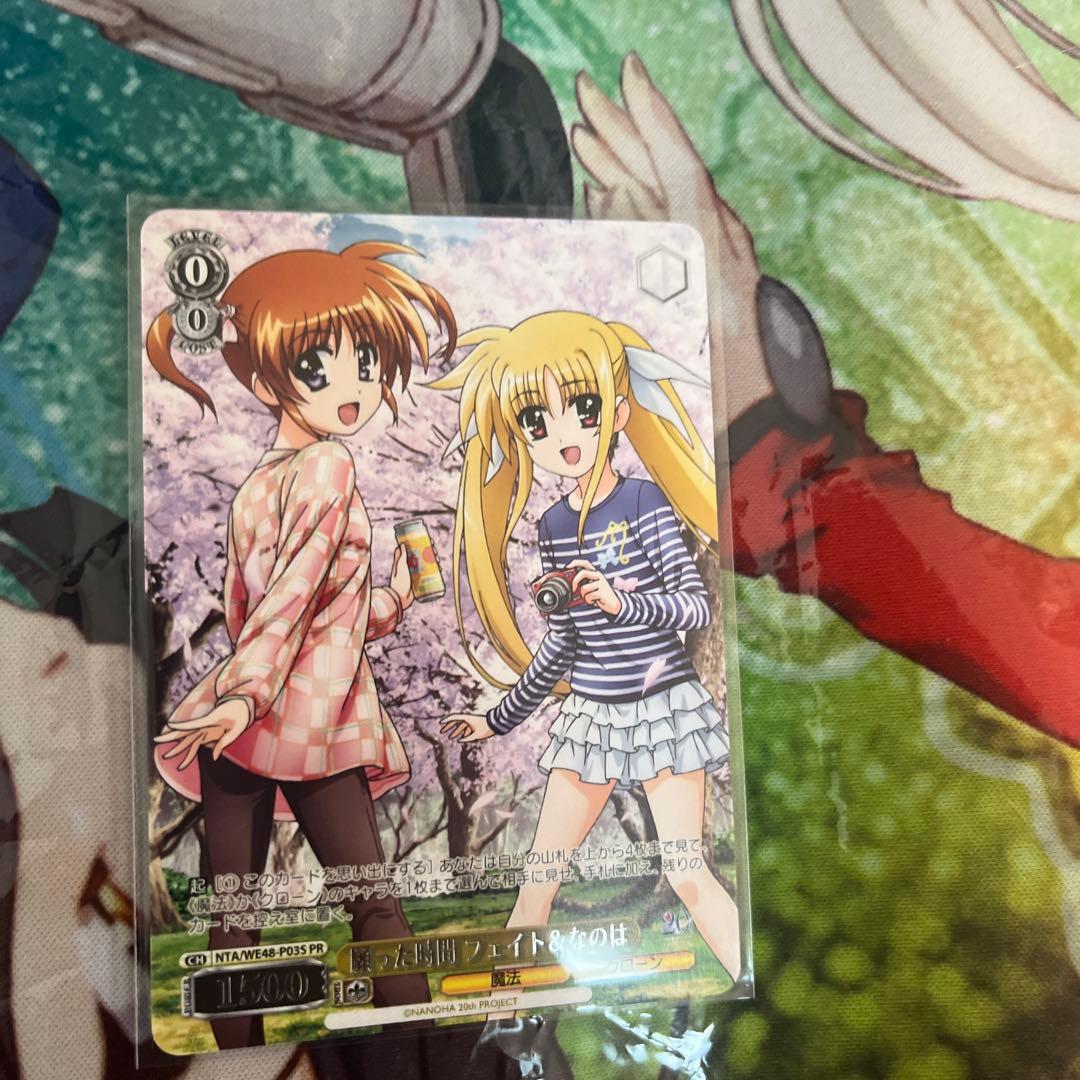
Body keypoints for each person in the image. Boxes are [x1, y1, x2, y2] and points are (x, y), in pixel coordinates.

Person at [149, 240, 457, 1048]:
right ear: (265, 381)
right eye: (318, 367)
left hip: (238, 723)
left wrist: (392, 598)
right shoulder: (327, 466)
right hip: (305, 726)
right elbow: (289, 600)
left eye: (366, 363)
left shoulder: (256, 484)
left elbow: (300, 606)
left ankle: (239, 1063)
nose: (351, 388)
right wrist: (253, 693)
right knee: (373, 904)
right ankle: (425, 1051)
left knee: (234, 919)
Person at [432, 311, 740, 981]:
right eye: (536, 421)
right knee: (537, 882)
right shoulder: (551, 526)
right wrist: (497, 719)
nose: (563, 434)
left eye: (584, 408)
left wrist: (621, 603)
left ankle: (750, 980)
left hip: (662, 708)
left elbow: (693, 604)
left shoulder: (644, 502)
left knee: (687, 874)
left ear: (619, 412)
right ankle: (502, 1015)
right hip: (593, 718)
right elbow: (562, 645)